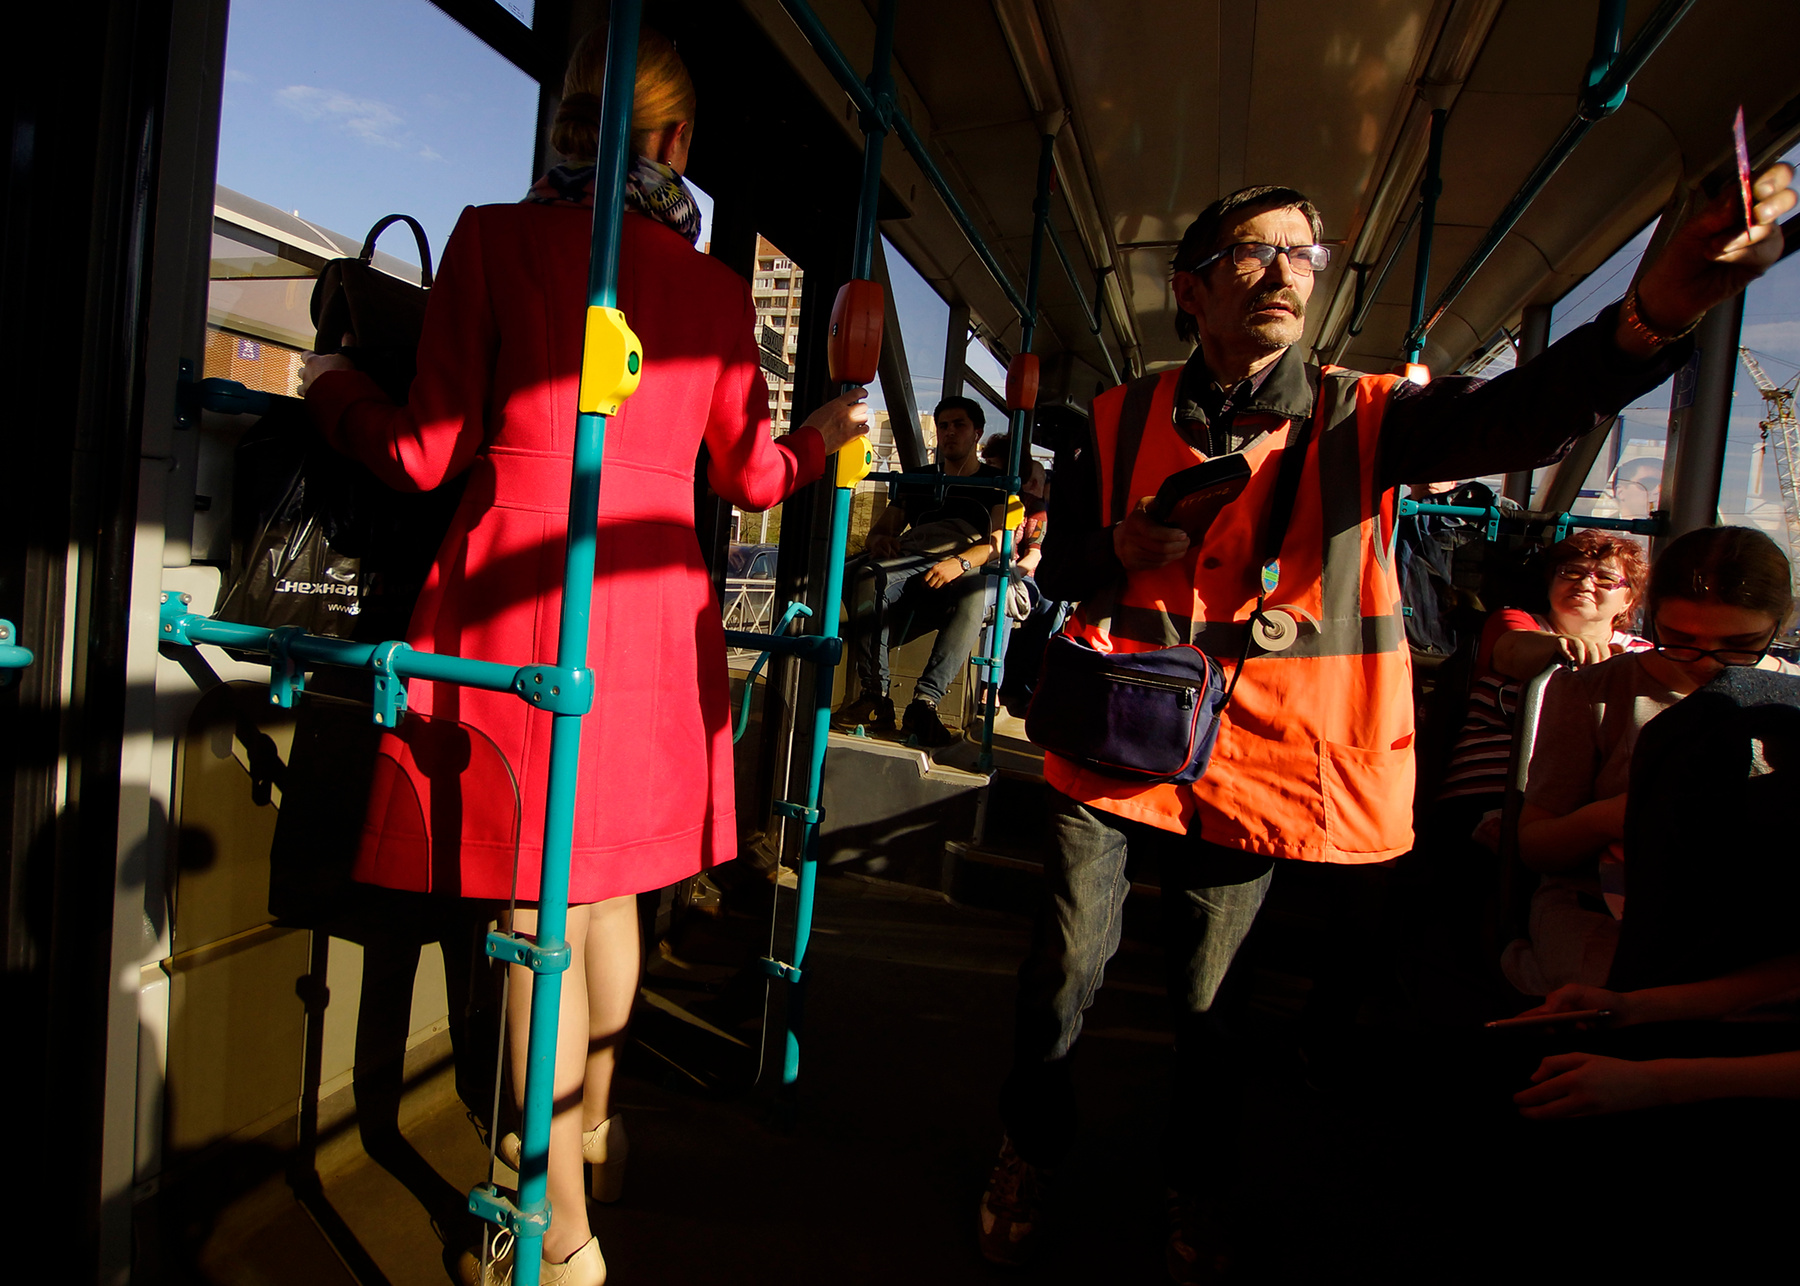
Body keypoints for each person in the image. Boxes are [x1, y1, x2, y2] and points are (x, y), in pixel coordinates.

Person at [978, 163, 1796, 1279]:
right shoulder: (1116, 420)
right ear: (1191, 288)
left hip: (1256, 755)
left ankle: (1196, 1184)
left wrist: (1651, 317)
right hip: (1113, 738)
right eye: (1254, 251)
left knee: (1214, 1002)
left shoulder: (1367, 417)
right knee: (1061, 969)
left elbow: (1518, 416)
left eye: (1301, 254)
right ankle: (1031, 1144)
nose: (1284, 272)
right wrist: (1108, 549)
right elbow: (1062, 560)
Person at [298, 27, 867, 1286]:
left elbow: (425, 453)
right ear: (676, 143)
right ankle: (592, 1133)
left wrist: (331, 385)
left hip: (521, 594)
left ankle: (556, 1235)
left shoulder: (494, 239)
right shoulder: (713, 290)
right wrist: (825, 434)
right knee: (606, 894)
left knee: (531, 909)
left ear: (567, 120)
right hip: (655, 613)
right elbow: (752, 476)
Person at [1505, 526, 1799, 995]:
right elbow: (1537, 847)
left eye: (1740, 644)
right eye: (1678, 639)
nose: (1706, 663)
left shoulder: (1791, 700)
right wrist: (1615, 817)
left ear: (1780, 625)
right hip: (1605, 907)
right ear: (1649, 617)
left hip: (1754, 911)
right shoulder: (1594, 693)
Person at [834, 396, 1004, 747]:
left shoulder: (996, 483)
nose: (950, 432)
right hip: (913, 559)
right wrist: (882, 541)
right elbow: (882, 530)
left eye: (959, 425)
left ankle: (926, 701)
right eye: (944, 426)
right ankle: (875, 695)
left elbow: (998, 542)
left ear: (977, 433)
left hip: (964, 561)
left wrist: (961, 562)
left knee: (974, 596)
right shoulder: (920, 480)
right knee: (868, 574)